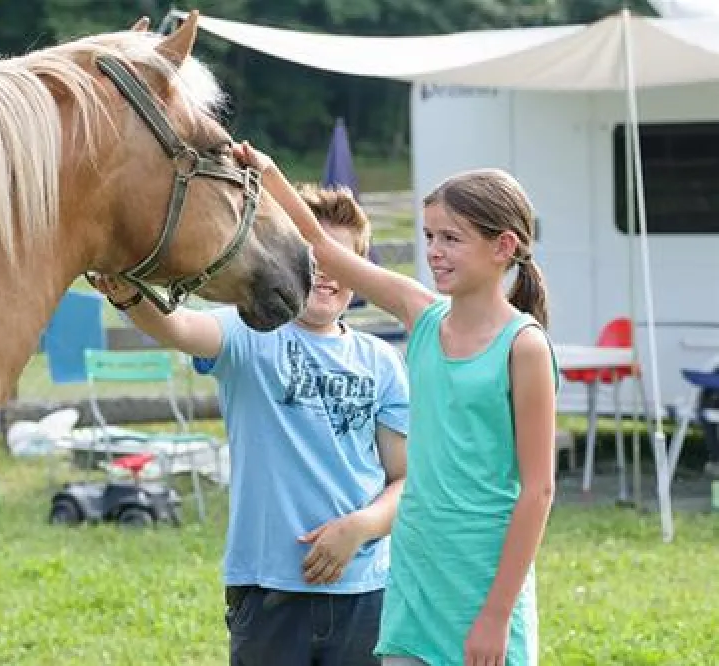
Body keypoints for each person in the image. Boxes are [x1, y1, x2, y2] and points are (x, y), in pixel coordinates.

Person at [235, 142, 558, 666]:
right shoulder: (422, 314)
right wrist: (270, 172)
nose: (434, 250)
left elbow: (538, 491)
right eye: (430, 235)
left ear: (503, 247)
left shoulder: (524, 346)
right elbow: (319, 242)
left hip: (482, 578)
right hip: (414, 577)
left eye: (451, 238)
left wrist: (497, 616)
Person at [92, 184, 410, 666]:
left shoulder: (382, 361)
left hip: (365, 591)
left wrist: (361, 528)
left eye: (339, 261)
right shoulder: (248, 333)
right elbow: (176, 327)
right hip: (267, 590)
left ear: (358, 271)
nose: (324, 274)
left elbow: (404, 478)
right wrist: (129, 295)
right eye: (310, 257)